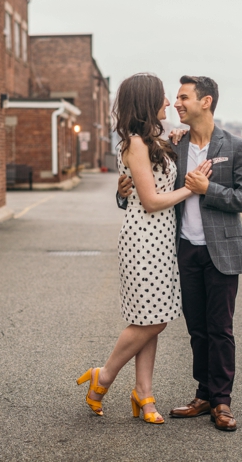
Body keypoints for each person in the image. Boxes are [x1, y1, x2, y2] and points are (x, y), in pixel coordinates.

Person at [118, 75, 242, 431]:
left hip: (222, 250)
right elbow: (147, 188)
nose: (177, 104)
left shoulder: (236, 146)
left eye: (183, 97)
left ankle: (222, 402)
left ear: (205, 102)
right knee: (197, 329)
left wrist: (209, 189)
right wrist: (123, 193)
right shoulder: (172, 146)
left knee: (220, 329)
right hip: (182, 250)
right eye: (175, 98)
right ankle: (204, 394)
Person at [78, 73, 212, 424]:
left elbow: (147, 183)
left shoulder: (154, 140)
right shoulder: (135, 143)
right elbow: (150, 201)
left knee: (151, 317)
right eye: (163, 98)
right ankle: (103, 377)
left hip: (162, 239)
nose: (169, 103)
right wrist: (192, 189)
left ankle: (144, 394)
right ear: (147, 102)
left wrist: (177, 139)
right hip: (144, 238)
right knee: (150, 320)